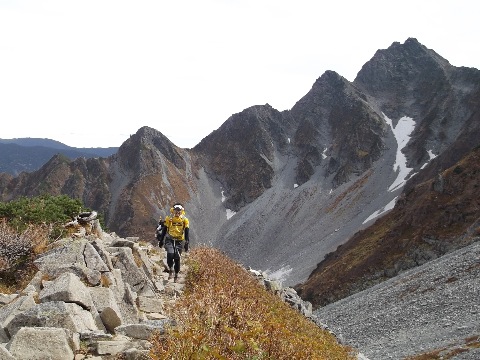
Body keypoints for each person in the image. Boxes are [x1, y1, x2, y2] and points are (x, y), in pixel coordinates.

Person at [157, 203, 190, 282]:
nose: (177, 213)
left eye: (179, 211)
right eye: (176, 211)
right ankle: (171, 269)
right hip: (170, 239)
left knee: (177, 258)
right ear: (173, 211)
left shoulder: (184, 220)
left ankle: (176, 275)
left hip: (179, 241)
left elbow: (187, 232)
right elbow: (165, 230)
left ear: (182, 211)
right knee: (170, 254)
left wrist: (187, 243)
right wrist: (161, 240)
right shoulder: (169, 219)